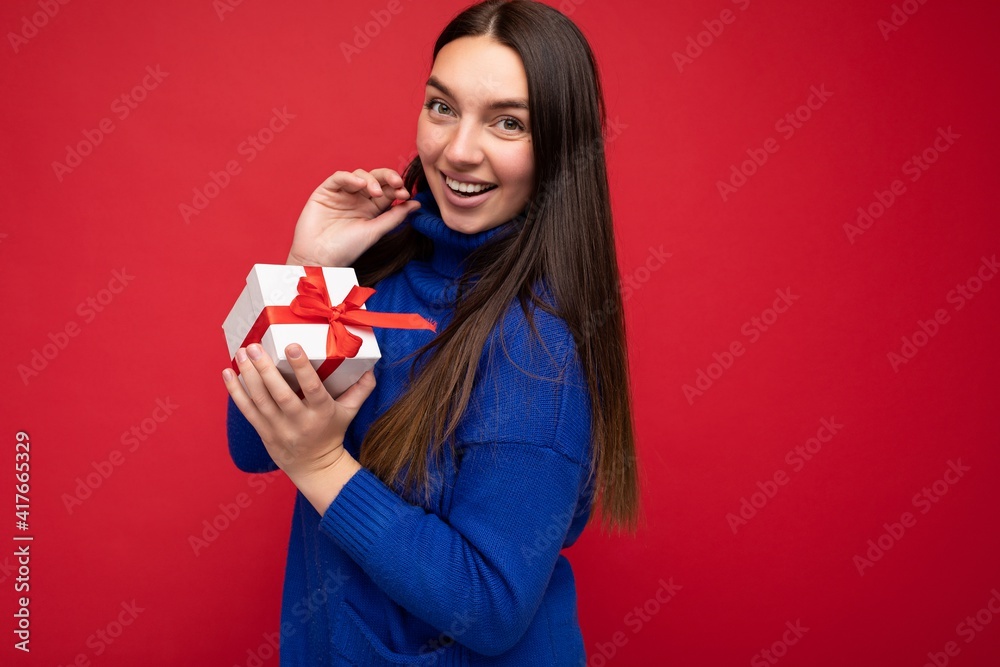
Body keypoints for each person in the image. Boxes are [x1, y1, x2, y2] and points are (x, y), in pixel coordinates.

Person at [222, 0, 640, 663]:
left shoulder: (539, 350)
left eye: (508, 123)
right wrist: (305, 269)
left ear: (560, 145)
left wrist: (324, 464)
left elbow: (494, 606)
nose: (457, 150)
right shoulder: (383, 264)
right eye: (442, 107)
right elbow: (254, 442)